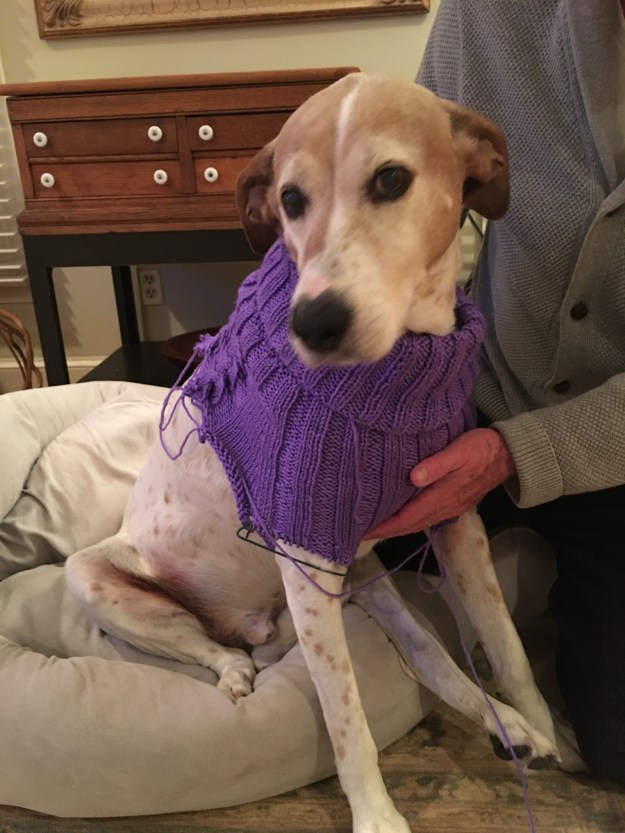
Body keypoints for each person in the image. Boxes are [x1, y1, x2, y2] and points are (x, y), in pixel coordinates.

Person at [369, 0, 625, 783]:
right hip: (473, 391)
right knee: (303, 535)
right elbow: (410, 195)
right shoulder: (485, 15)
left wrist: (516, 452)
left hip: (610, 449)